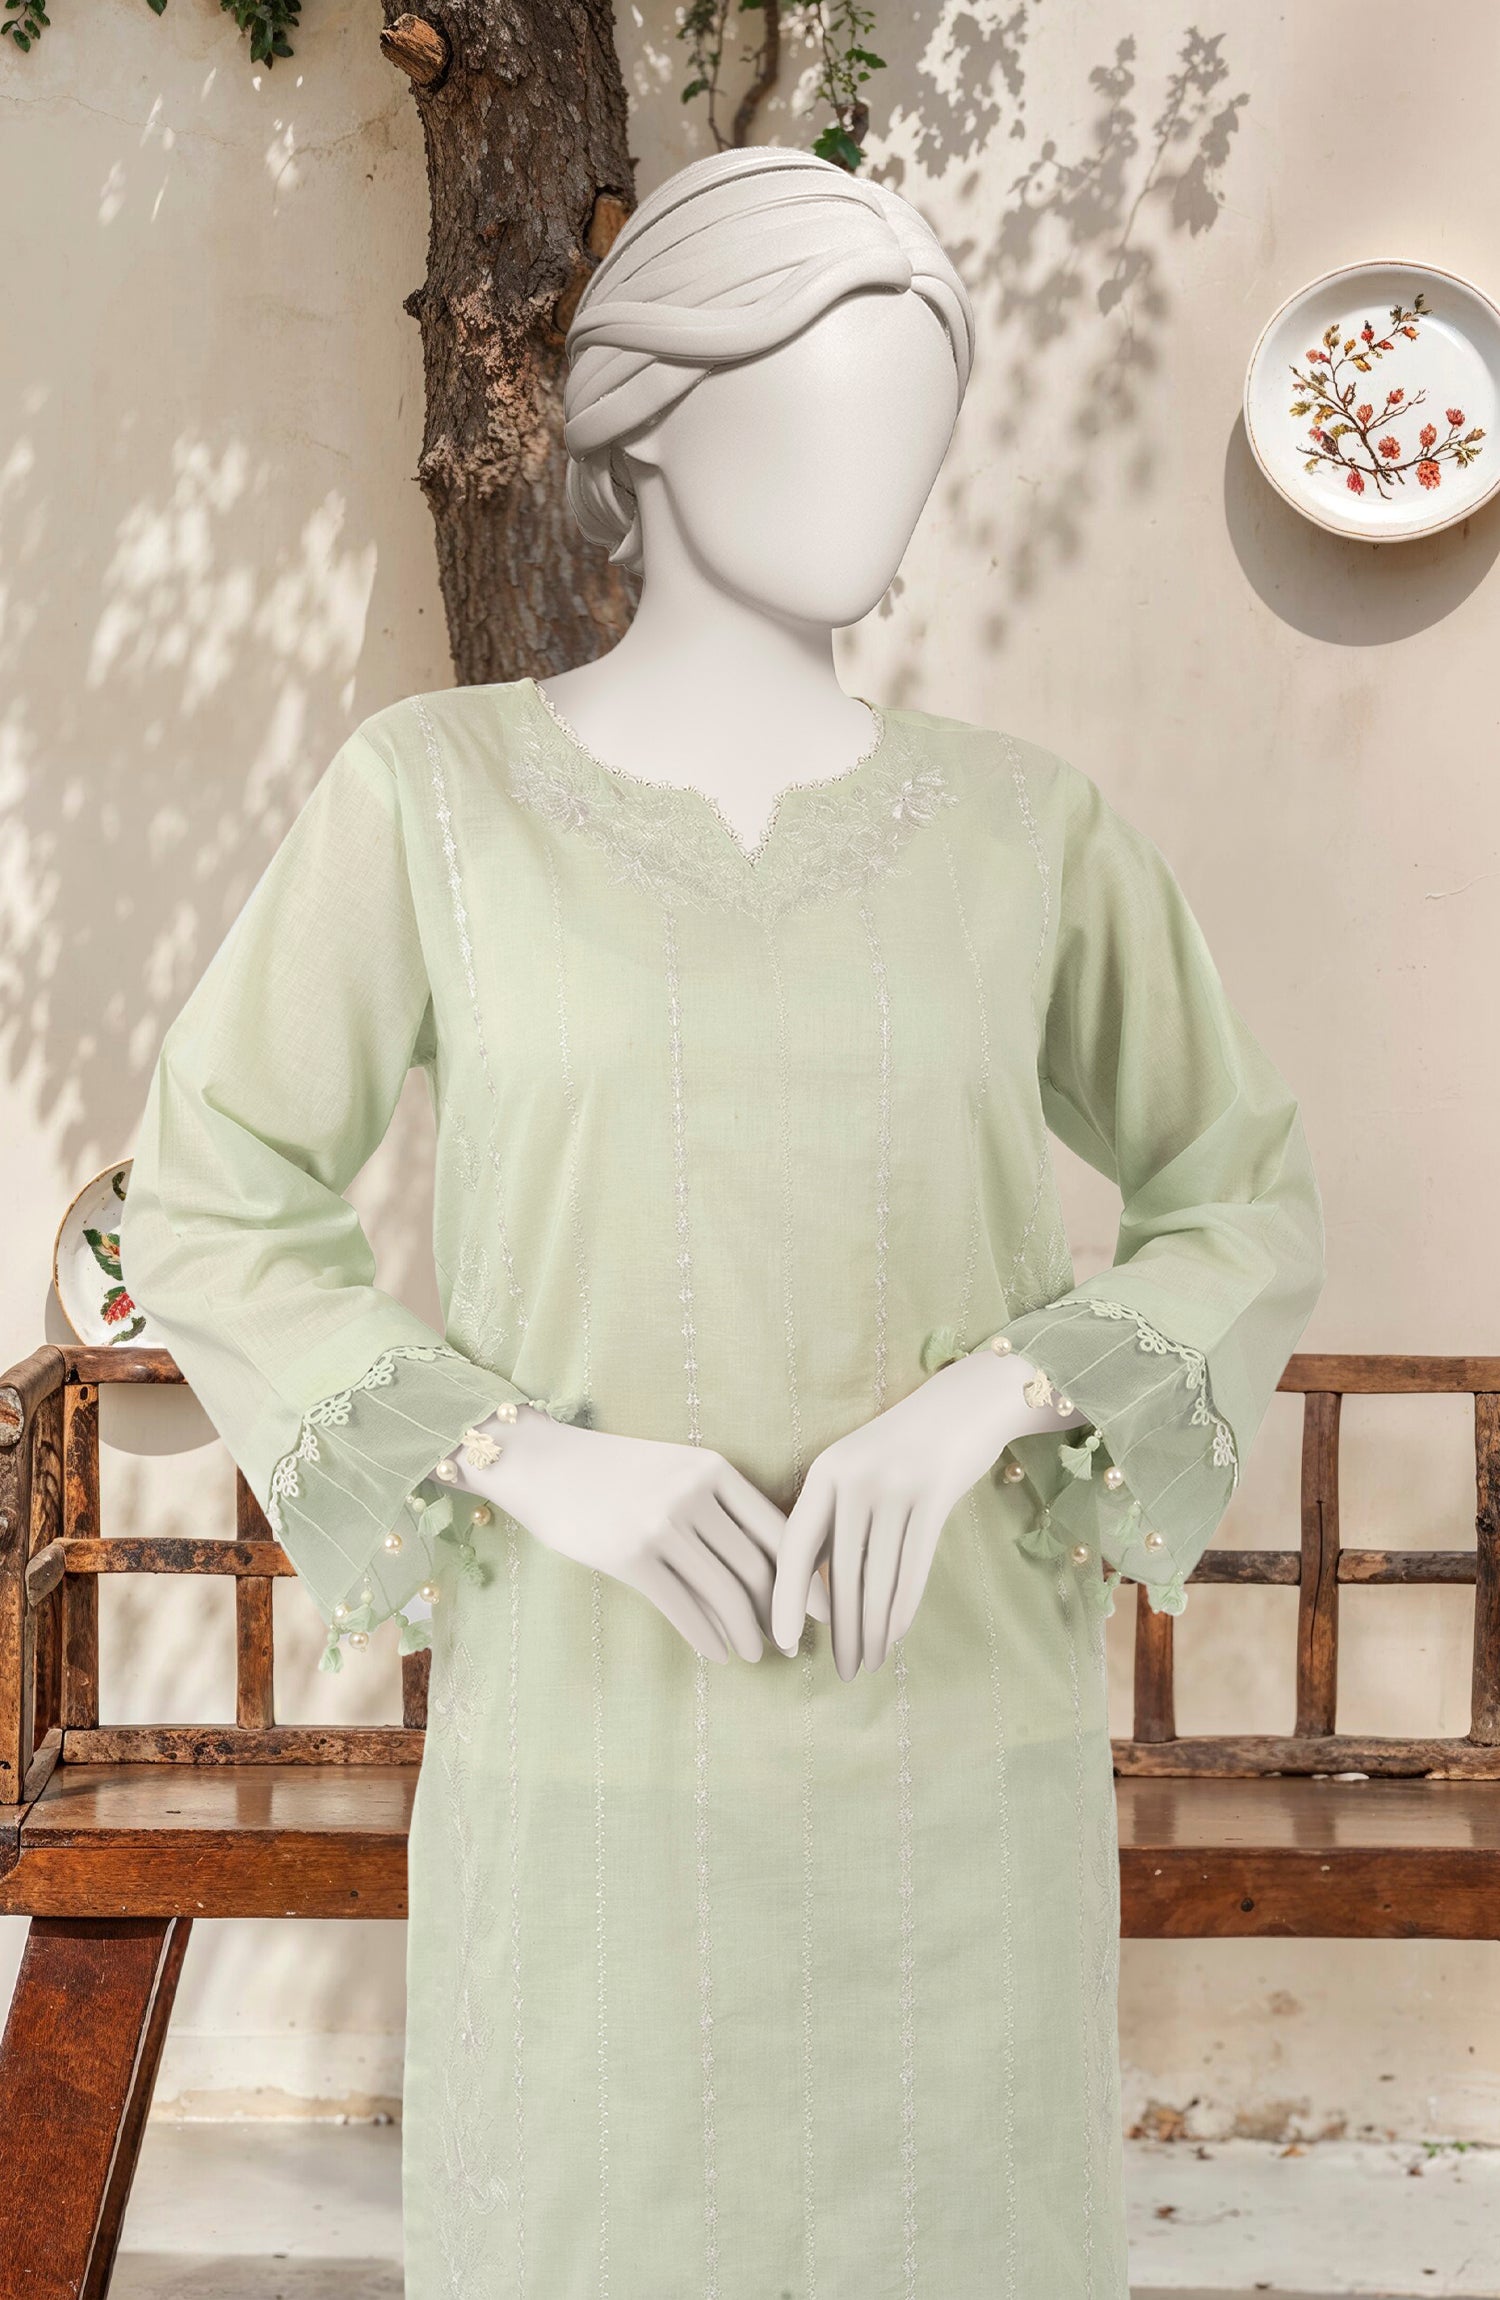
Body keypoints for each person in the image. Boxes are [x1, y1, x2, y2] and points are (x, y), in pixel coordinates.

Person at [121, 145, 1324, 2299]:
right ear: (653, 419)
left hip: (951, 1740)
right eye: (824, 410)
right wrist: (522, 1453)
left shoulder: (1025, 834)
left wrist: (991, 1398)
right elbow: (217, 1194)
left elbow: (1237, 1190)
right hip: (594, 1735)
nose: (885, 478)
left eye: (917, 427)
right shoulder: (436, 804)